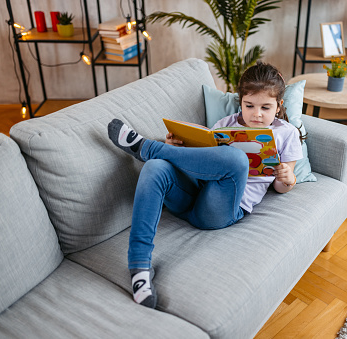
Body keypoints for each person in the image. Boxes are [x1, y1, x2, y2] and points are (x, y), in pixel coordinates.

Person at [107, 61, 303, 309]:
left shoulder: (287, 133)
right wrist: (179, 147)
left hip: (220, 209)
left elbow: (282, 187)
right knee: (155, 167)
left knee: (235, 160)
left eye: (266, 107)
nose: (257, 114)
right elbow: (201, 162)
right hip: (190, 195)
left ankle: (148, 148)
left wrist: (287, 178)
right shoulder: (224, 125)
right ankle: (139, 270)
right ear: (239, 101)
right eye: (249, 105)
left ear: (279, 106)